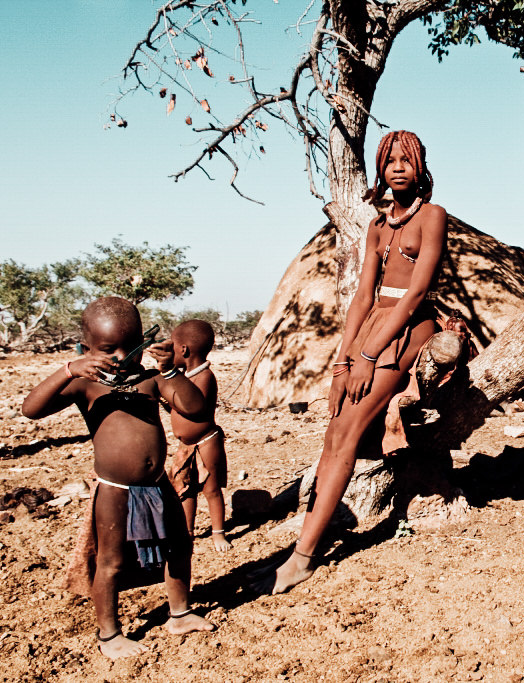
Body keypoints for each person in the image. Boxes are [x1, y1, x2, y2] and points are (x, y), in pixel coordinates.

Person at [254, 131, 446, 594]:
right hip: (372, 324)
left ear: (420, 166)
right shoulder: (378, 225)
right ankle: (307, 539)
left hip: (408, 326)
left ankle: (303, 558)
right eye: (389, 161)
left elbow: (416, 293)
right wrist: (343, 360)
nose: (397, 167)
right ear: (380, 169)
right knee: (332, 431)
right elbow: (362, 295)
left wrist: (368, 355)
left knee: (349, 432)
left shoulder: (433, 217)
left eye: (406, 159)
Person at [21, 297, 213, 658]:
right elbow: (31, 409)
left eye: (133, 347)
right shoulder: (86, 385)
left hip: (158, 484)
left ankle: (180, 613)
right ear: (86, 348)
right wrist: (69, 369)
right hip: (115, 490)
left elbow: (196, 408)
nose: (123, 357)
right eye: (109, 350)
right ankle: (109, 635)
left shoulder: (152, 379)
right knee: (110, 561)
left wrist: (170, 370)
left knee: (179, 546)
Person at [166, 319, 231, 551]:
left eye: (172, 346)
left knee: (211, 490)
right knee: (185, 489)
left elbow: (195, 408)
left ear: (183, 349)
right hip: (186, 444)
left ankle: (218, 533)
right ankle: (187, 531)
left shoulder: (204, 377)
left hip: (206, 441)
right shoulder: (185, 377)